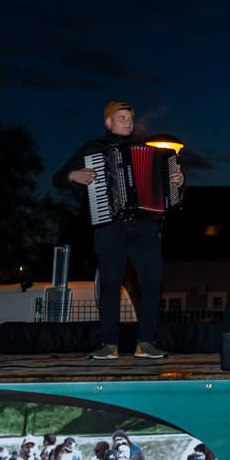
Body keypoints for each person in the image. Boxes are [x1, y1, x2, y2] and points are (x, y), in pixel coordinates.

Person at [53, 101, 184, 359]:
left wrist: (179, 181)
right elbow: (58, 178)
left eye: (130, 118)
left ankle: (146, 342)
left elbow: (168, 191)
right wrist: (73, 175)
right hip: (109, 226)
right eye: (121, 117)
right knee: (111, 284)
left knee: (152, 282)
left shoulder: (148, 151)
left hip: (145, 226)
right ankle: (108, 344)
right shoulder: (92, 148)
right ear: (108, 122)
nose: (127, 122)